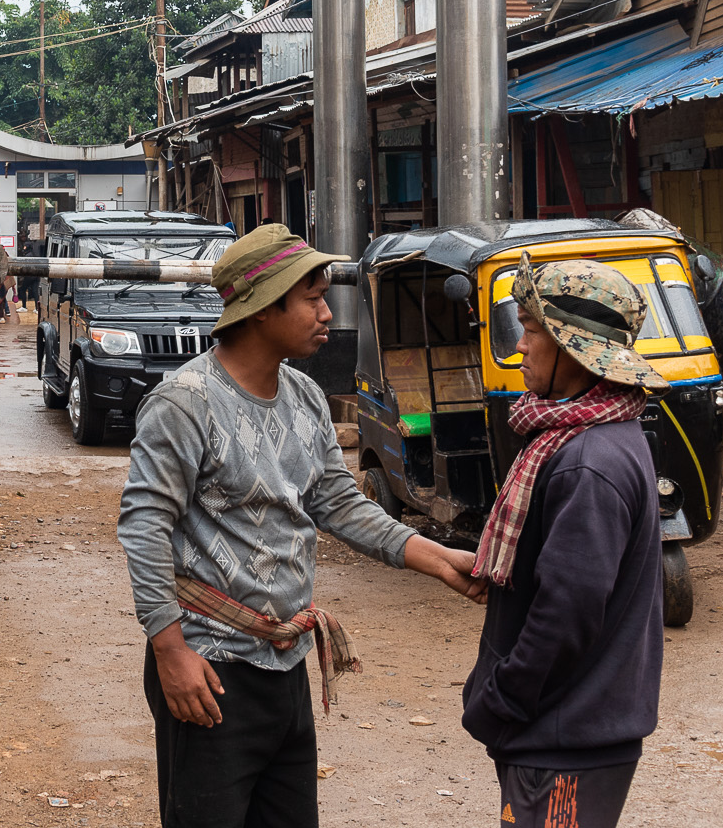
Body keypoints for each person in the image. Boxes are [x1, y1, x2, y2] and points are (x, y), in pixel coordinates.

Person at [120, 224, 484, 828]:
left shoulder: (306, 396)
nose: (326, 311)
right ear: (263, 307)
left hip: (284, 661)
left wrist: (441, 559)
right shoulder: (184, 403)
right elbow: (143, 527)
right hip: (209, 670)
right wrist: (170, 651)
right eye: (312, 296)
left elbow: (338, 501)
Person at [462, 256, 669, 828]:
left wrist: (501, 698)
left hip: (563, 740)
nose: (521, 347)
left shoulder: (586, 461)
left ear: (572, 349)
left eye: (531, 331)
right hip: (569, 728)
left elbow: (567, 612)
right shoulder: (602, 434)